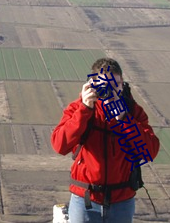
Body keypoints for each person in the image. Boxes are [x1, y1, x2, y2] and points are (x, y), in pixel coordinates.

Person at [51, 58, 160, 223]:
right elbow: (60, 145)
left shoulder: (132, 111)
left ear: (122, 84)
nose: (110, 90)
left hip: (121, 200)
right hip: (86, 199)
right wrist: (85, 109)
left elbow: (150, 151)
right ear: (92, 84)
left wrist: (124, 119)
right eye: (104, 85)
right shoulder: (79, 108)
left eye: (114, 84)